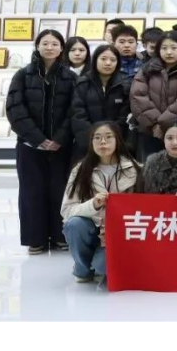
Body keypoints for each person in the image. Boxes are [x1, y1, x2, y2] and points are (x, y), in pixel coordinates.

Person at [7, 30, 77, 255]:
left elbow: (74, 110)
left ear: (61, 48)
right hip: (29, 146)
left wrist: (59, 138)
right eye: (45, 43)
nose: (49, 48)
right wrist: (37, 139)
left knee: (60, 190)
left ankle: (60, 235)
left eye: (54, 44)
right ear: (37, 46)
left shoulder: (70, 77)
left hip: (61, 146)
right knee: (31, 192)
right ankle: (35, 239)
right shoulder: (22, 75)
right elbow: (15, 109)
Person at [61, 121, 142, 283]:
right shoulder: (80, 170)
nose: (102, 142)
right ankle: (82, 269)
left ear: (118, 140)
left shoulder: (136, 169)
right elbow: (67, 210)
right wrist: (93, 205)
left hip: (119, 232)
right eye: (97, 138)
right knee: (74, 224)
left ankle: (99, 263)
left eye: (108, 137)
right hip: (92, 227)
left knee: (103, 266)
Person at [130, 30, 177, 159]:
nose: (169, 52)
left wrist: (164, 125)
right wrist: (154, 124)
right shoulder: (147, 69)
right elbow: (138, 96)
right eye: (164, 48)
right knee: (149, 167)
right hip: (149, 132)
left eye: (174, 48)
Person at [70, 45, 131, 158]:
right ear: (95, 60)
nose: (108, 63)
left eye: (113, 60)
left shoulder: (125, 84)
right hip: (87, 143)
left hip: (117, 142)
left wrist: (111, 139)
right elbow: (78, 114)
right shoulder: (83, 83)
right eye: (103, 59)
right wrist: (94, 140)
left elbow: (124, 116)